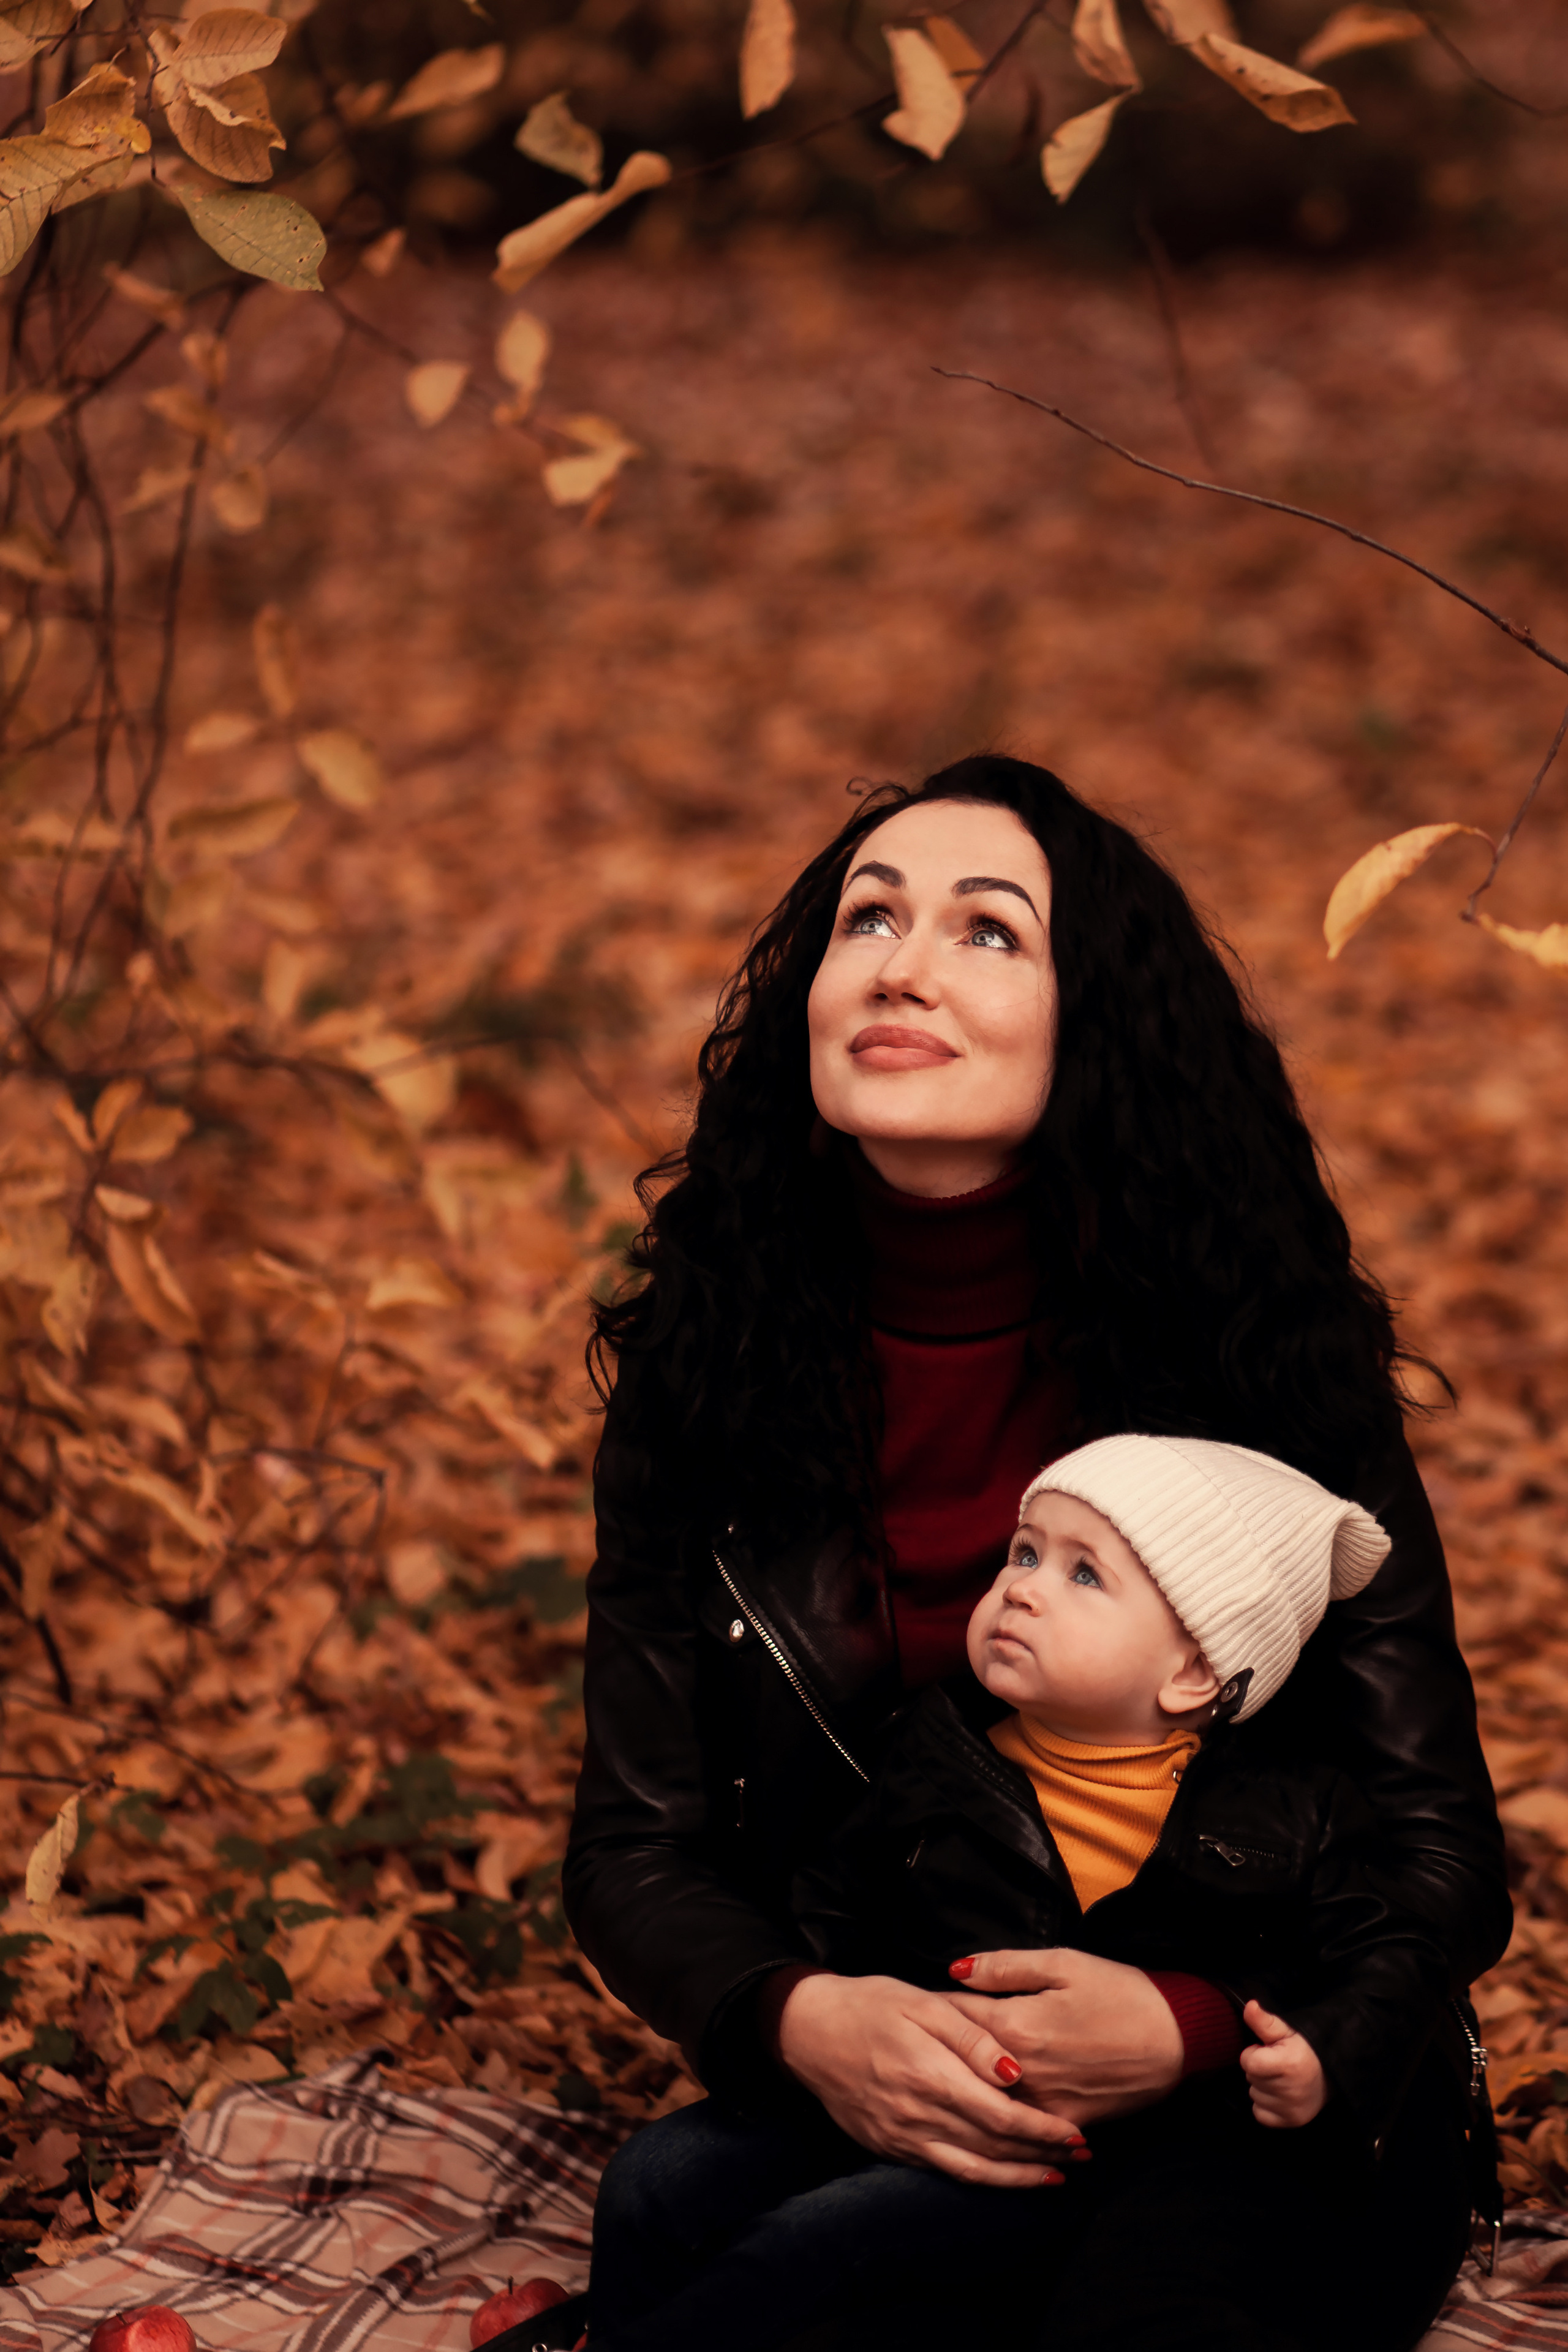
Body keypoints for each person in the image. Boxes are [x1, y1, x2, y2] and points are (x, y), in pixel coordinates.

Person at [559, 756, 1508, 2351]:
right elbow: (631, 1851)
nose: (903, 964)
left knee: (843, 2271)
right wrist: (811, 2018)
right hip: (927, 2029)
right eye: (869, 916)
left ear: (1100, 1026)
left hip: (1261, 2078)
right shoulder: (713, 1371)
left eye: (988, 932)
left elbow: (1438, 1850)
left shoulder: (1257, 1357)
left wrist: (1192, 2026)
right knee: (664, 2190)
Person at [583, 1435, 1494, 2352]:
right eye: (1025, 1552)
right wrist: (832, 2017)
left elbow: (1383, 1954)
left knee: (823, 2241)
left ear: (1192, 1673)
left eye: (1084, 1575)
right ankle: (621, 2324)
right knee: (655, 2177)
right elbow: (833, 1904)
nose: (1022, 1586)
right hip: (924, 2085)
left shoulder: (1291, 1813)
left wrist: (1319, 2056)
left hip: (1099, 2153)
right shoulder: (932, 1755)